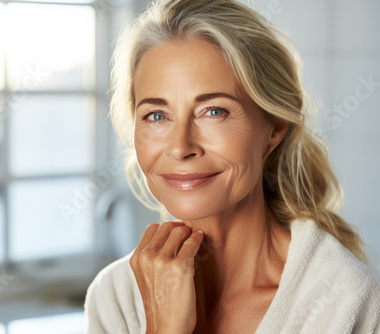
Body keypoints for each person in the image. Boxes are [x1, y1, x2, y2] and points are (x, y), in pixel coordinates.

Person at [83, 0, 380, 333]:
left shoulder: (347, 303)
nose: (181, 147)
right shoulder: (115, 298)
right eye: (156, 116)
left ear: (276, 125)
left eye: (214, 112)